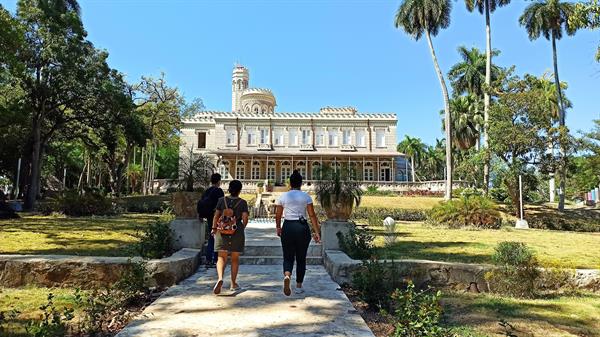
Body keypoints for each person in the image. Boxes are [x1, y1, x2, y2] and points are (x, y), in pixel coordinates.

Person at [275, 170, 321, 296]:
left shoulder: (283, 197)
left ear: (290, 183)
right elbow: (312, 216)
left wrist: (278, 228)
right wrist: (317, 232)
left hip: (288, 226)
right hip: (302, 227)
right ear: (301, 183)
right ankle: (299, 286)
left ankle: (287, 275)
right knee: (301, 258)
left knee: (288, 256)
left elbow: (278, 215)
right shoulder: (306, 196)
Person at [212, 180, 249, 294]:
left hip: (222, 231)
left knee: (221, 257)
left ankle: (220, 278)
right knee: (234, 258)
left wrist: (214, 229)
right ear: (239, 190)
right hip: (236, 231)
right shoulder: (243, 203)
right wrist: (241, 227)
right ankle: (233, 283)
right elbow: (245, 218)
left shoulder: (221, 201)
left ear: (229, 189)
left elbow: (216, 216)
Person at [198, 173, 225, 267]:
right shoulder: (219, 191)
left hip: (209, 217)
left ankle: (208, 259)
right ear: (219, 181)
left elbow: (202, 203)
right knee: (217, 238)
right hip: (216, 217)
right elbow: (222, 205)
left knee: (211, 237)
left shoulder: (207, 191)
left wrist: (201, 215)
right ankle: (215, 259)